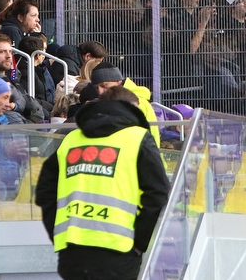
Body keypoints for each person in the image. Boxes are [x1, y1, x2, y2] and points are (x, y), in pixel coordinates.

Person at [35, 85, 170, 280]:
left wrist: (57, 231)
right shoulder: (137, 138)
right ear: (131, 109)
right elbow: (158, 191)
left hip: (73, 250)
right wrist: (140, 242)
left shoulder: (72, 139)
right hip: (118, 251)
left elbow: (45, 190)